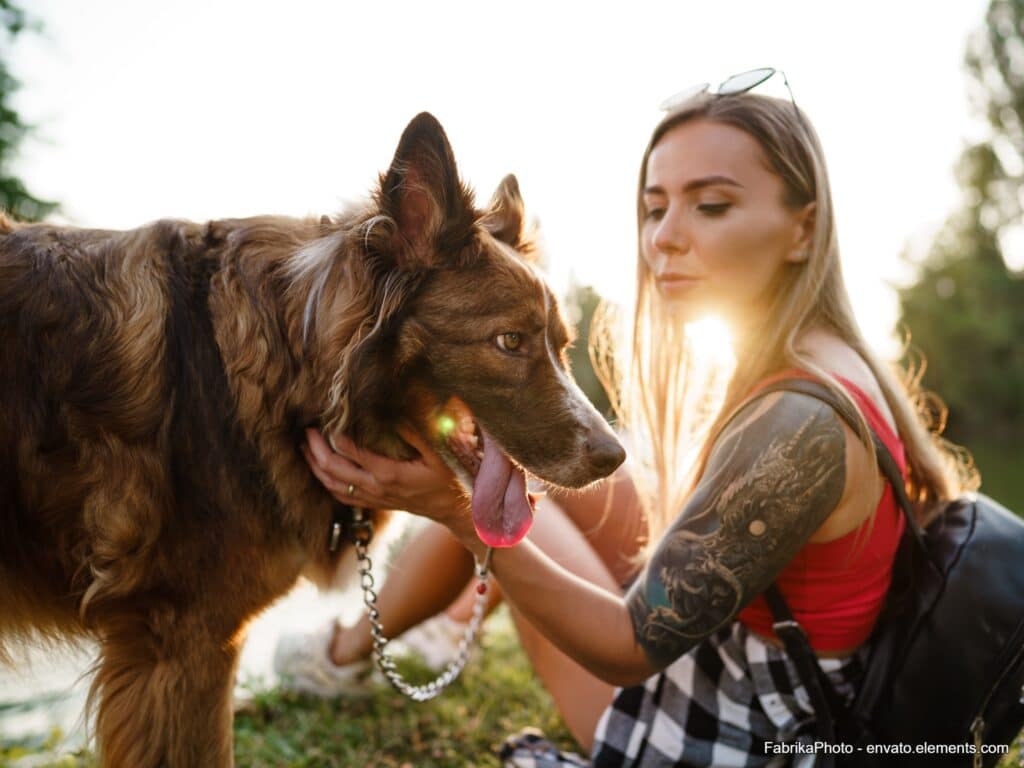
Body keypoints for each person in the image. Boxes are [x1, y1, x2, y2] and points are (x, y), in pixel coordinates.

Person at [275, 76, 975, 767]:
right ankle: (409, 633)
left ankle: (343, 655)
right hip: (768, 665)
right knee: (549, 481)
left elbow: (629, 648)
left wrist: (456, 513)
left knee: (514, 503)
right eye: (654, 208)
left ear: (804, 229)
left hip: (744, 729)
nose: (664, 238)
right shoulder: (823, 363)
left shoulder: (800, 424)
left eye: (712, 205)